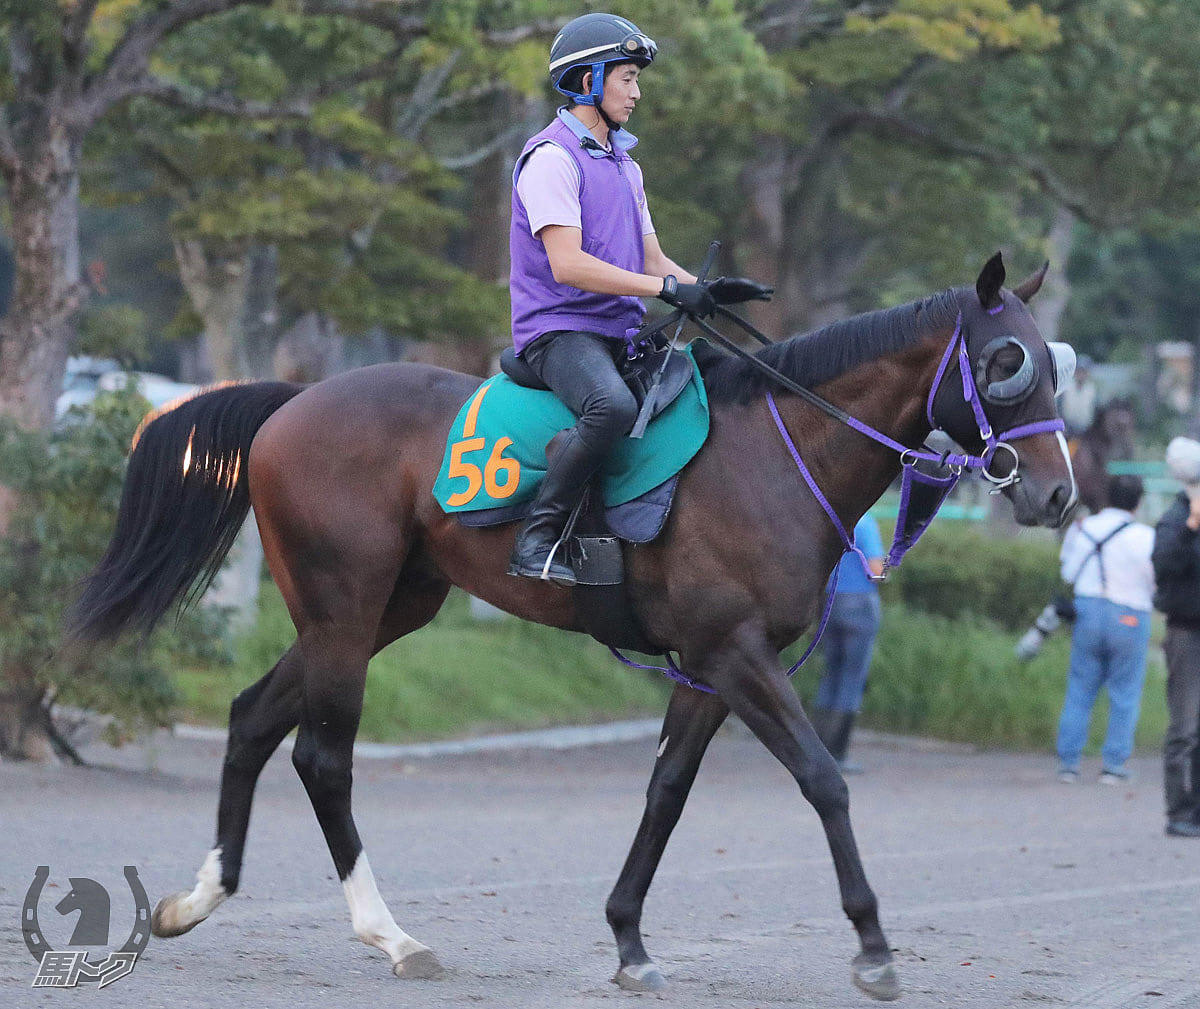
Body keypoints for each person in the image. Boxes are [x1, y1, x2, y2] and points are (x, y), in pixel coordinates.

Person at [507, 12, 772, 586]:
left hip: (618, 330)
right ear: (587, 83)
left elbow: (653, 262)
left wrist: (706, 292)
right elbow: (568, 264)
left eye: (634, 78)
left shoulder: (626, 165)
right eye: (626, 77)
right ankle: (537, 538)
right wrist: (665, 289)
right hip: (559, 331)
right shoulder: (550, 159)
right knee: (613, 407)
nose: (636, 91)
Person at [1055, 475, 1155, 785]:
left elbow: (1068, 572)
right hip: (1130, 615)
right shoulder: (1146, 537)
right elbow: (1155, 581)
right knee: (1125, 694)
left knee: (1080, 690)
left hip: (1087, 611)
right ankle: (1113, 765)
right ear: (1138, 502)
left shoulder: (1083, 527)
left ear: (1108, 496)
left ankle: (1069, 765)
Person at [1150, 437, 1200, 837]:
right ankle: (1178, 810)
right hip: (1185, 632)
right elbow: (1165, 566)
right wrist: (1189, 529)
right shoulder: (1173, 521)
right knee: (1184, 726)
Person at [812, 514, 885, 774]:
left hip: (829, 603)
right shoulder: (865, 523)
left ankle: (816, 751)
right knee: (852, 680)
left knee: (830, 676)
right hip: (860, 605)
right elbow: (876, 571)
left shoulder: (832, 518)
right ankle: (837, 753)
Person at [1059, 354, 1098, 439]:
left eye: (1084, 372)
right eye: (1079, 371)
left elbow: (1095, 412)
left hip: (1087, 432)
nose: (1081, 375)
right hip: (1068, 431)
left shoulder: (1092, 391)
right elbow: (1059, 409)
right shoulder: (1065, 389)